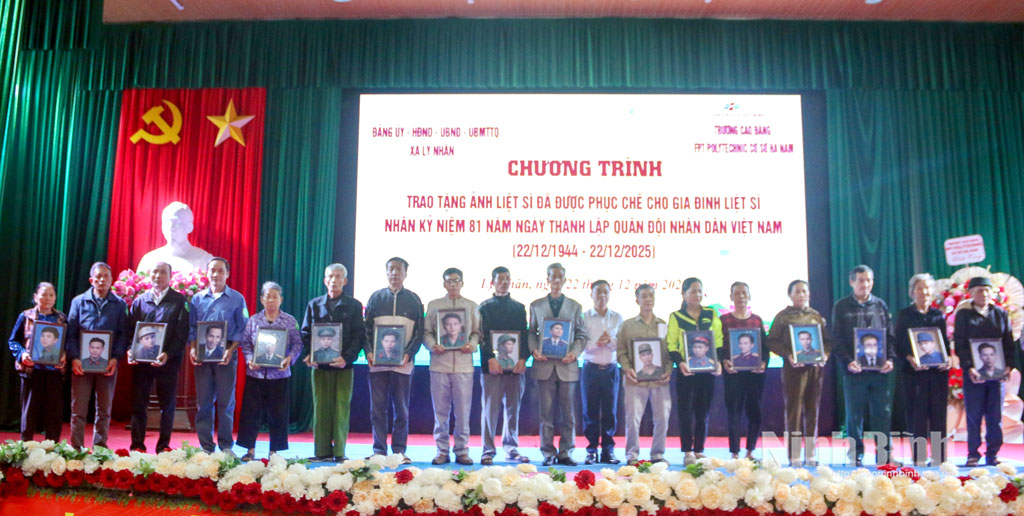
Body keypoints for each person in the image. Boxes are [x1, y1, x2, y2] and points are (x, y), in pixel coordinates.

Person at [832, 264, 897, 467]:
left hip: (880, 371)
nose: (865, 284)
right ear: (851, 282)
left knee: (882, 413)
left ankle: (884, 454)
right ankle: (856, 454)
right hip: (854, 371)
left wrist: (890, 359)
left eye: (868, 280)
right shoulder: (841, 306)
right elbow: (837, 339)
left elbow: (890, 336)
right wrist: (847, 361)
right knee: (854, 415)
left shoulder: (880, 305)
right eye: (861, 280)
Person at [301, 263, 365, 462]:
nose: (334, 280)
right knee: (321, 408)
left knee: (341, 408)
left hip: (344, 366)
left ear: (345, 281)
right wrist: (310, 354)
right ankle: (321, 452)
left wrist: (347, 358)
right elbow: (305, 333)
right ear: (324, 280)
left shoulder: (354, 305)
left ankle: (339, 452)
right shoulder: (314, 305)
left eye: (338, 277)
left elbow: (359, 336)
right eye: (330, 276)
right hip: (320, 366)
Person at [364, 257, 424, 464]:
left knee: (401, 410)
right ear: (386, 272)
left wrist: (409, 354)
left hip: (403, 365)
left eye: (399, 269)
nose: (394, 273)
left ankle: (399, 451)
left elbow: (419, 332)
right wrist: (369, 352)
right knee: (377, 409)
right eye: (391, 269)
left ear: (406, 273)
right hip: (377, 365)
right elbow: (366, 329)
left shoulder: (414, 299)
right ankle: (379, 451)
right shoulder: (376, 298)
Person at [126, 261, 189, 453]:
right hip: (142, 363)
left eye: (162, 272)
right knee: (139, 404)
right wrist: (130, 350)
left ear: (170, 276)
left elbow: (182, 334)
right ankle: (137, 446)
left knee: (167, 406)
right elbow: (130, 330)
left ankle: (163, 447)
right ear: (149, 275)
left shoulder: (180, 301)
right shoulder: (140, 301)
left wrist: (168, 354)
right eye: (155, 272)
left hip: (168, 362)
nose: (158, 276)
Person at [954, 276, 1017, 466]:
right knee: (974, 415)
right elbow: (960, 344)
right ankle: (973, 453)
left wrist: (1008, 366)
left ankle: (993, 453)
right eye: (979, 290)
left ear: (992, 293)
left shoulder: (1000, 313)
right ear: (971, 294)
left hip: (997, 374)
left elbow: (1008, 342)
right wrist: (969, 367)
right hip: (973, 374)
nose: (984, 294)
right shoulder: (964, 315)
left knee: (995, 416)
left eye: (987, 290)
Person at [66, 262, 130, 449]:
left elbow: (123, 335)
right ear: (91, 280)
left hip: (107, 364)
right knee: (78, 410)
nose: (102, 280)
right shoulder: (78, 302)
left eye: (106, 277)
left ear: (111, 280)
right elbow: (70, 333)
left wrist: (115, 358)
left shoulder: (119, 304)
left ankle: (100, 448)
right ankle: (76, 449)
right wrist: (74, 358)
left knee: (104, 410)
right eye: (98, 276)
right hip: (81, 364)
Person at [529, 262, 587, 466]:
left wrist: (574, 352)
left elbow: (581, 334)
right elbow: (531, 333)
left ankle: (566, 452)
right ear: (547, 279)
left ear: (564, 280)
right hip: (544, 366)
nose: (556, 280)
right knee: (545, 413)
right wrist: (534, 349)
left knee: (568, 414)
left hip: (567, 366)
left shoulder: (575, 306)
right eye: (552, 277)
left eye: (559, 277)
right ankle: (548, 452)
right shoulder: (536, 305)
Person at [767, 279, 830, 466]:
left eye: (804, 291)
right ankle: (794, 454)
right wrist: (788, 355)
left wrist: (825, 355)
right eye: (797, 292)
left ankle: (810, 454)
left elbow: (826, 342)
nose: (801, 295)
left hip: (815, 370)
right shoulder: (783, 317)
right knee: (794, 411)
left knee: (813, 410)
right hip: (793, 370)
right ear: (790, 295)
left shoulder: (816, 316)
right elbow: (771, 341)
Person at [189, 257, 248, 455]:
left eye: (220, 271)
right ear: (207, 273)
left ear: (227, 274)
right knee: (204, 403)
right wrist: (193, 349)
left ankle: (226, 446)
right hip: (203, 360)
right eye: (212, 270)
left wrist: (231, 350)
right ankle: (206, 446)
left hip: (226, 358)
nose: (216, 275)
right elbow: (192, 328)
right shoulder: (197, 299)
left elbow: (243, 328)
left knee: (226, 403)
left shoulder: (237, 299)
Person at [238, 282, 303, 461]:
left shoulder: (290, 321)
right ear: (261, 299)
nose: (271, 300)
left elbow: (298, 344)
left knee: (278, 414)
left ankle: (274, 451)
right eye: (268, 296)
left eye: (275, 296)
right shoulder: (253, 320)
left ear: (281, 299)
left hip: (279, 375)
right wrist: (249, 359)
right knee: (251, 413)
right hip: (256, 375)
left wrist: (289, 359)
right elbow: (245, 343)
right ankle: (250, 450)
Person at [424, 268, 480, 465]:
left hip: (464, 366)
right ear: (444, 284)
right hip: (439, 365)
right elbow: (427, 332)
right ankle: (442, 451)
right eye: (449, 281)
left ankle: (462, 450)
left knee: (463, 412)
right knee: (440, 412)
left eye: (457, 281)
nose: (453, 284)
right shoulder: (434, 305)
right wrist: (433, 345)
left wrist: (472, 344)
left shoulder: (472, 306)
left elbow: (477, 332)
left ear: (462, 283)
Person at [894, 273, 951, 466]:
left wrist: (947, 359)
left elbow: (944, 344)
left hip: (937, 373)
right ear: (912, 292)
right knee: (916, 415)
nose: (924, 292)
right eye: (919, 288)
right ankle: (918, 456)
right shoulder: (905, 315)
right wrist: (910, 358)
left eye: (927, 288)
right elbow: (898, 345)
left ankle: (939, 456)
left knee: (938, 414)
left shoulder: (938, 315)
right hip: (913, 373)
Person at [477, 266, 531, 465]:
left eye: (507, 279)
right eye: (500, 279)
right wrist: (489, 358)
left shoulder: (519, 308)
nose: (504, 282)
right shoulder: (483, 307)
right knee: (490, 410)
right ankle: (488, 450)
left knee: (513, 409)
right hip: (491, 368)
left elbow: (524, 336)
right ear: (492, 282)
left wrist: (523, 358)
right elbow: (481, 337)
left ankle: (511, 447)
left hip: (515, 368)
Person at [666, 277, 722, 466]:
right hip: (686, 373)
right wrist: (680, 363)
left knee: (702, 412)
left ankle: (699, 450)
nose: (697, 295)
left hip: (707, 372)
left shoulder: (710, 313)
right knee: (685, 412)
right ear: (683, 294)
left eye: (699, 291)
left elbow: (718, 340)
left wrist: (718, 362)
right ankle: (687, 451)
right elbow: (671, 344)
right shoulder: (676, 316)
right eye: (692, 291)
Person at [617, 284, 672, 465]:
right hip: (634, 380)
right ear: (637, 300)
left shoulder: (663, 325)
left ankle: (657, 454)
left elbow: (668, 354)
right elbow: (621, 351)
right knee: (632, 420)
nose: (648, 299)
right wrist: (627, 369)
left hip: (659, 381)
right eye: (644, 296)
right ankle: (632, 455)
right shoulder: (627, 326)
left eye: (651, 296)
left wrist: (668, 370)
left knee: (662, 419)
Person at [8, 282, 67, 442]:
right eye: (44, 294)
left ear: (55, 298)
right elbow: (13, 341)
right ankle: (25, 447)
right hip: (31, 371)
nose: (48, 298)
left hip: (54, 372)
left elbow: (67, 343)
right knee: (29, 412)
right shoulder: (25, 316)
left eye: (51, 295)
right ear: (35, 297)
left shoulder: (61, 318)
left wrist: (64, 355)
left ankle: (53, 449)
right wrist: (22, 355)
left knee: (54, 413)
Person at [719, 282, 767, 460]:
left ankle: (750, 451)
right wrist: (723, 361)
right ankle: (735, 452)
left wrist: (764, 363)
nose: (740, 297)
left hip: (755, 376)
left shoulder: (757, 320)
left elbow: (765, 347)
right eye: (737, 293)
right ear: (731, 297)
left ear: (749, 296)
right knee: (734, 412)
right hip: (733, 375)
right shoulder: (723, 321)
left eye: (744, 293)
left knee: (755, 412)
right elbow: (718, 347)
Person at [581, 280, 623, 465]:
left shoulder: (617, 317)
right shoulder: (584, 317)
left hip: (611, 369)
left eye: (605, 292)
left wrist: (610, 341)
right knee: (589, 411)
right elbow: (581, 343)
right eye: (598, 292)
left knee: (610, 412)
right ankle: (591, 450)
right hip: (591, 368)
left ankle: (608, 450)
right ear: (591, 294)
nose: (602, 296)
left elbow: (622, 343)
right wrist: (597, 343)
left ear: (610, 294)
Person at [137, 202, 215, 274]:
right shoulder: (149, 259)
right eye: (167, 223)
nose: (171, 228)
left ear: (189, 227)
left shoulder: (204, 259)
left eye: (177, 223)